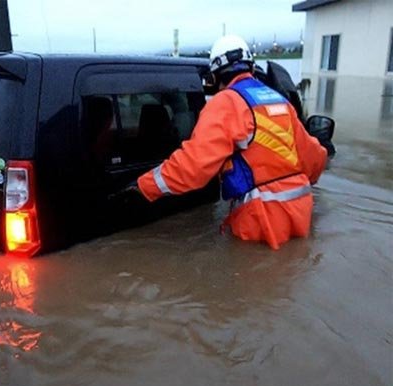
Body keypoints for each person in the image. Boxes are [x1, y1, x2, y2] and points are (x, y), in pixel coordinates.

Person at [133, 35, 327, 250]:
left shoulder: (227, 102)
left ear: (214, 76)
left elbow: (193, 167)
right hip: (300, 211)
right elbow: (315, 157)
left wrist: (143, 187)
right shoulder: (279, 101)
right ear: (251, 67)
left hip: (262, 218)